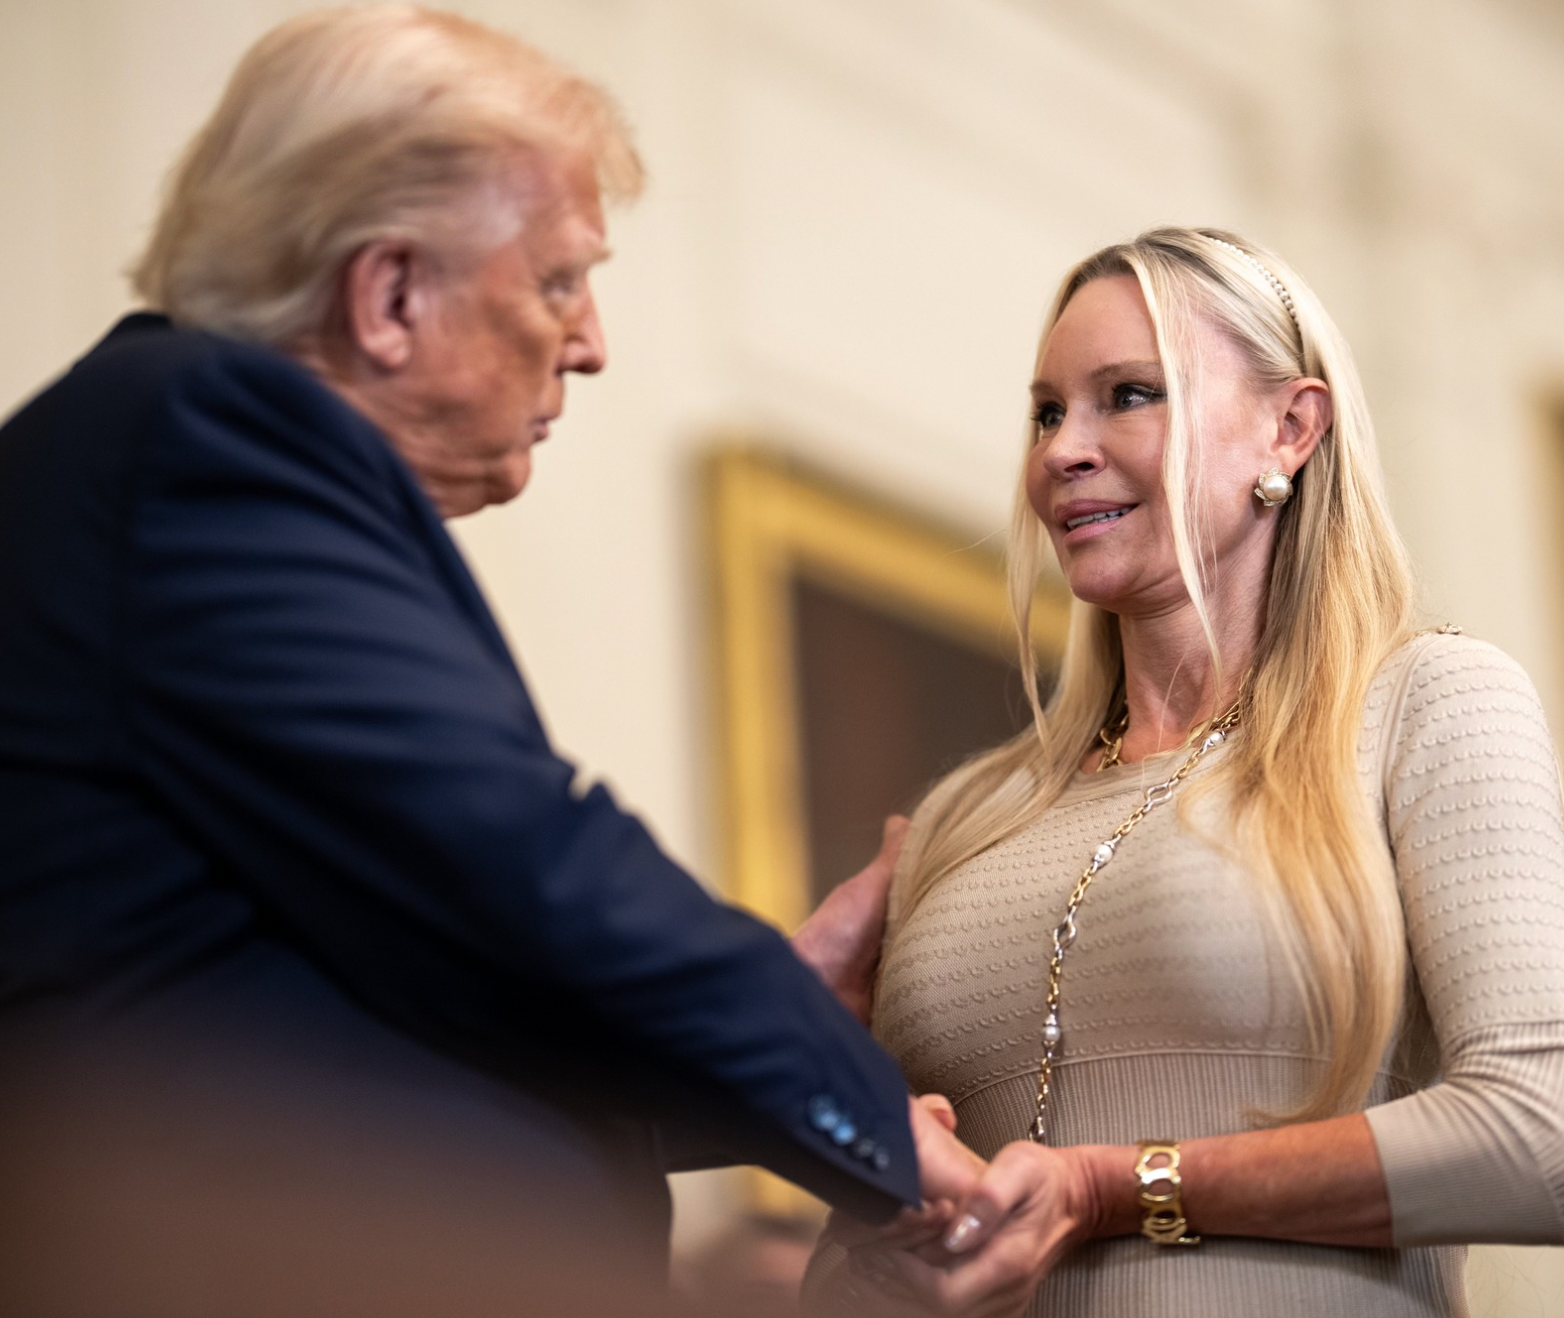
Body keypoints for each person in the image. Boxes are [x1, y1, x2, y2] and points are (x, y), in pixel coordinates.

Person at [0, 9, 982, 1315]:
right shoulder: (207, 440)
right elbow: (523, 859)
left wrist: (782, 1007)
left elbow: (432, 984)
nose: (590, 341)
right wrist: (896, 1144)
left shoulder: (177, 451)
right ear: (391, 294)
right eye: (561, 279)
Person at [804, 227, 1564, 1316]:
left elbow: (1542, 1130)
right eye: (1046, 411)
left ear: (1289, 427)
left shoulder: (1425, 704)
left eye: (1128, 395)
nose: (1064, 447)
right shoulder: (959, 822)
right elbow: (842, 1255)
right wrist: (889, 1239)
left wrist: (1113, 1188)